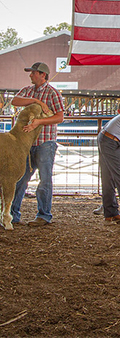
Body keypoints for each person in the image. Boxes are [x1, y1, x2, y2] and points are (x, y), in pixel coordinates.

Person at [11, 62, 65, 227]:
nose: (31, 75)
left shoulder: (53, 93)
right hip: (27, 143)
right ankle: (12, 214)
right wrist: (36, 101)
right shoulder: (28, 91)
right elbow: (14, 101)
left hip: (44, 141)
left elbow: (60, 117)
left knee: (44, 179)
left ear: (43, 75)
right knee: (20, 178)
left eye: (33, 73)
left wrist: (39, 122)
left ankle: (43, 214)